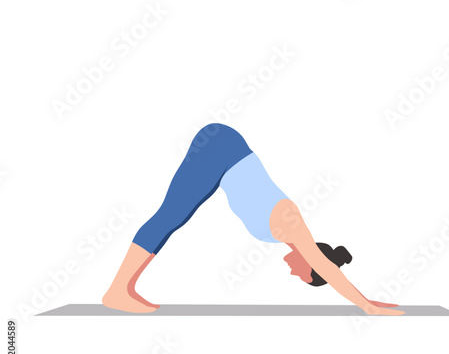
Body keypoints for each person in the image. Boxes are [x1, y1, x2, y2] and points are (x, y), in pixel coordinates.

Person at [102, 124, 404, 315]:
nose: (293, 274)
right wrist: (366, 305)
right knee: (170, 217)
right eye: (303, 275)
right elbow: (328, 267)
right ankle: (117, 291)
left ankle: (121, 289)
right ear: (311, 265)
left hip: (223, 155)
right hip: (222, 150)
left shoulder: (285, 234)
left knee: (172, 218)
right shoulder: (293, 226)